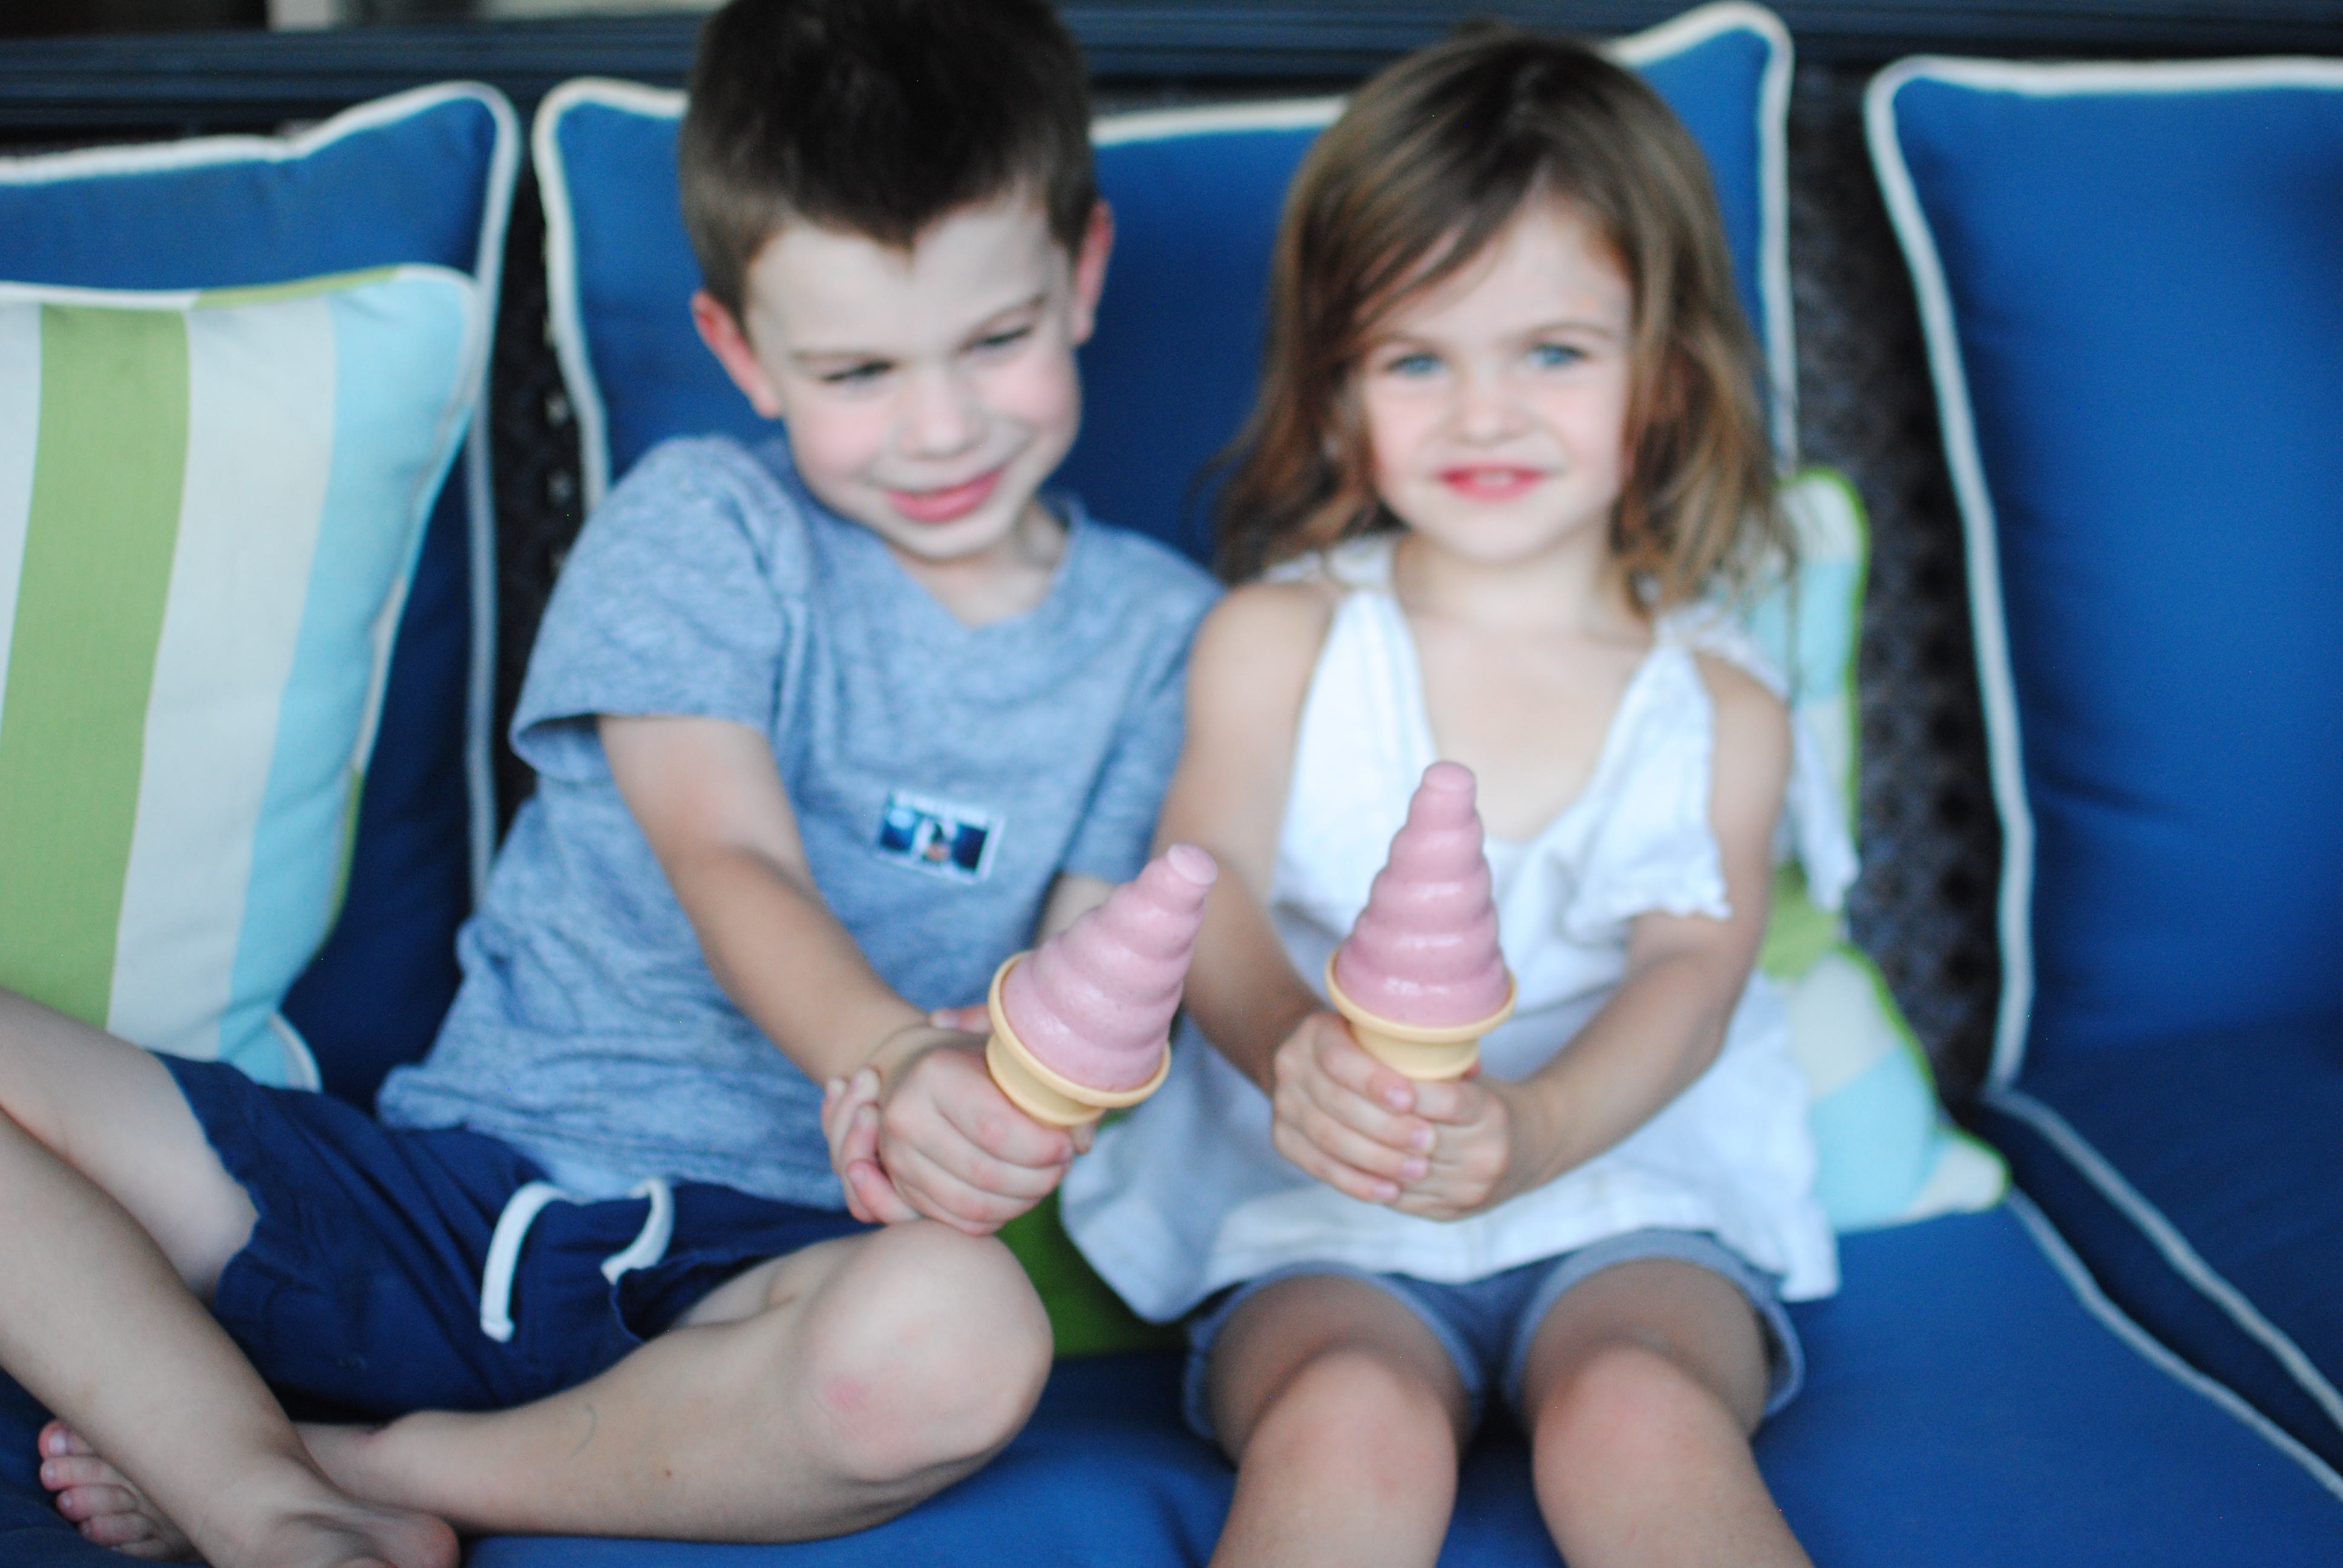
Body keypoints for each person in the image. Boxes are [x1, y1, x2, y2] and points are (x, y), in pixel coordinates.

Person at [1, 0, 1216, 1561]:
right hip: (449, 1203)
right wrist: (886, 1055)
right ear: (739, 351)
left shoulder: (1158, 637)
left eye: (995, 339)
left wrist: (1007, 1097)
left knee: (964, 1336)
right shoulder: (701, 524)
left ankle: (385, 1474)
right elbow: (728, 859)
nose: (940, 427)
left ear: (1085, 275)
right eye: (857, 368)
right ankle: (259, 1493)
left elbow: (1088, 982)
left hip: (768, 1276)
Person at [1061, 25, 1846, 1568]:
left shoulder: (1720, 706)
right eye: (1420, 358)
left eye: (1553, 351)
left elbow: (1694, 980)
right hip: (1322, 1217)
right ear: (1341, 391)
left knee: (1637, 1414)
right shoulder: (1279, 640)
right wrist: (1296, 1051)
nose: (1484, 414)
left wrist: (1540, 1127)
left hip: (1628, 1197)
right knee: (1350, 1420)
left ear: (1664, 376)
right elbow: (1198, 888)